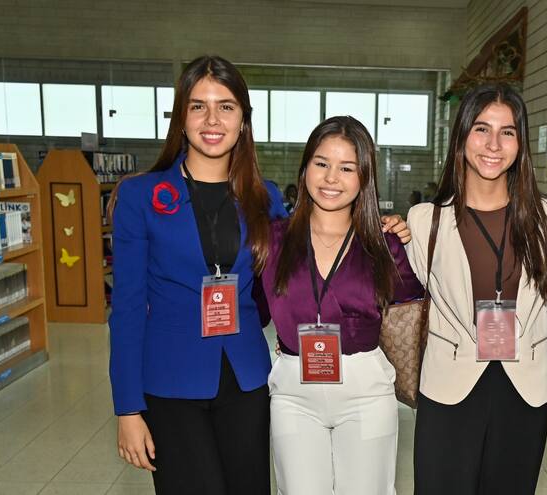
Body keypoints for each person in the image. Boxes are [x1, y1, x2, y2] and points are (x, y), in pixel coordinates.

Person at [109, 56, 408, 494]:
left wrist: (380, 228)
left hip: (247, 382)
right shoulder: (140, 197)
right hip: (172, 383)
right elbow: (128, 309)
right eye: (198, 106)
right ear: (181, 117)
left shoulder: (263, 197)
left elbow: (302, 261)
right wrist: (127, 409)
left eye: (226, 106)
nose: (213, 119)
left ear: (243, 120)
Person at [406, 83, 547, 495]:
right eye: (481, 129)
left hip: (524, 388)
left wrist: (541, 345)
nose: (494, 144)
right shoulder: (425, 221)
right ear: (461, 137)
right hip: (450, 386)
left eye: (507, 132)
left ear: (520, 143)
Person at [261, 116, 423, 494]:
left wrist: (406, 240)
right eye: (322, 164)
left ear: (364, 178)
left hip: (365, 390)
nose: (332, 178)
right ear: (304, 170)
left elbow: (413, 305)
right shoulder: (272, 241)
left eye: (347, 168)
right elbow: (252, 307)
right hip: (293, 390)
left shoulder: (384, 243)